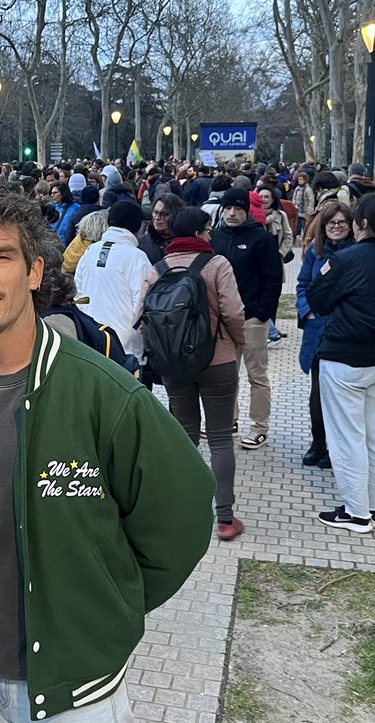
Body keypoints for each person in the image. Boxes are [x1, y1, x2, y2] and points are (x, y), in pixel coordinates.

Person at [0, 184, 215, 721]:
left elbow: (184, 514)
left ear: (33, 272)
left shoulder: (105, 392)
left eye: (3, 256)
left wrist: (109, 604)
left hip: (77, 689)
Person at [305, 194, 375, 533]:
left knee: (348, 438)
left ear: (361, 223)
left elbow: (317, 297)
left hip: (344, 359)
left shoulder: (346, 259)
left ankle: (356, 512)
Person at [145, 207, 246, 539]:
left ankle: (183, 513)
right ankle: (226, 519)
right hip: (218, 361)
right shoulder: (217, 265)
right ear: (202, 232)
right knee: (219, 438)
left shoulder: (158, 268)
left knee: (185, 439)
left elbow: (141, 315)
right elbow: (233, 312)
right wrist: (238, 342)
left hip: (174, 365)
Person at [210, 188, 282, 449]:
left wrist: (262, 313)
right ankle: (229, 420)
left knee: (257, 375)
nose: (232, 213)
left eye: (238, 208)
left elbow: (274, 278)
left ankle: (260, 426)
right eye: (228, 208)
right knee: (226, 374)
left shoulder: (261, 239)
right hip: (222, 320)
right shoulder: (215, 236)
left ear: (247, 211)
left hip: (252, 318)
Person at [295, 202, 354, 469]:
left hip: (344, 332)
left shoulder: (356, 253)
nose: (336, 227)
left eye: (342, 222)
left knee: (341, 396)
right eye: (331, 223)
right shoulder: (315, 253)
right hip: (317, 329)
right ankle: (318, 442)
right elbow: (302, 285)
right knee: (317, 393)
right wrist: (307, 312)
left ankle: (337, 447)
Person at [73, 201, 152, 363]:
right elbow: (142, 302)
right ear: (136, 226)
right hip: (125, 347)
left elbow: (77, 293)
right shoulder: (137, 257)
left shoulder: (90, 251)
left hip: (91, 338)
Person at [256, 185, 293, 342]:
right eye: (261, 196)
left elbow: (288, 236)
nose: (263, 199)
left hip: (275, 263)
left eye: (267, 197)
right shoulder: (252, 215)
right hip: (256, 264)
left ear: (273, 200)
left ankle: (271, 330)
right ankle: (264, 330)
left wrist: (280, 254)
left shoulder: (280, 215)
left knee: (272, 296)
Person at [138, 194, 184, 265]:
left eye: (165, 214)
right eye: (155, 212)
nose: (157, 218)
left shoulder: (185, 241)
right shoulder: (142, 243)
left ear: (176, 215)